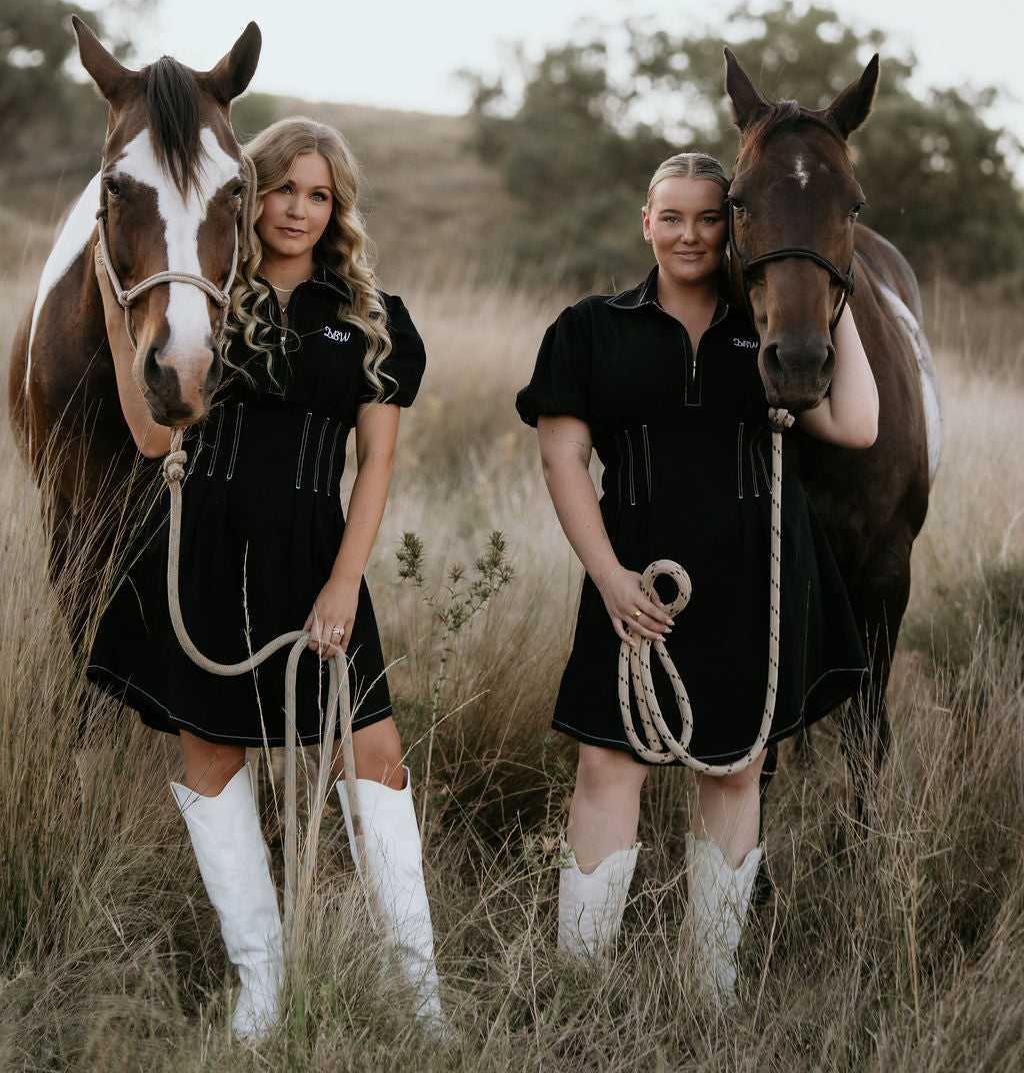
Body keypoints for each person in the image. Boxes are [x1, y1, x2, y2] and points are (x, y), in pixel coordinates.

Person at [87, 116, 440, 1040]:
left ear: (338, 208)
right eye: (282, 188)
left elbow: (377, 467)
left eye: (318, 194)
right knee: (210, 758)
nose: (298, 209)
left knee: (376, 759)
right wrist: (126, 320)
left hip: (315, 558)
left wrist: (342, 585)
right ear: (252, 197)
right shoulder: (211, 297)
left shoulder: (372, 320)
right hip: (199, 548)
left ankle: (420, 997)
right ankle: (263, 986)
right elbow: (156, 439)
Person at [515, 152, 878, 1004]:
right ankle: (583, 985)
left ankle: (709, 986)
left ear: (734, 230)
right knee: (608, 766)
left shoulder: (766, 331)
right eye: (670, 217)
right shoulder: (589, 327)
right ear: (645, 222)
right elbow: (562, 454)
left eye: (709, 218)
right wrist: (608, 576)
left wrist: (831, 285)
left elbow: (858, 425)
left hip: (756, 573)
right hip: (634, 577)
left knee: (736, 769)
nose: (689, 234)